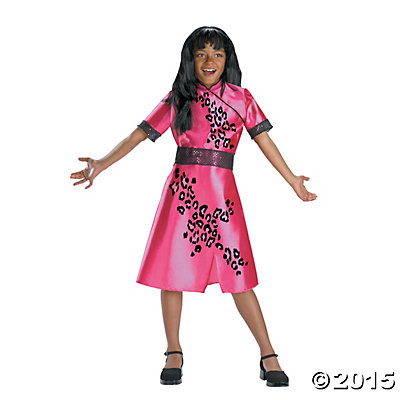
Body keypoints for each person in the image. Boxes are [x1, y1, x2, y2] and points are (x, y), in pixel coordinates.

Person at [70, 26, 317, 387]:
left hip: (221, 197)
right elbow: (137, 136)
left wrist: (292, 179)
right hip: (183, 195)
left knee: (238, 273)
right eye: (201, 54)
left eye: (217, 54)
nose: (209, 61)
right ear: (190, 60)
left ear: (227, 59)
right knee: (172, 272)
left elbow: (264, 140)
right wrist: (101, 164)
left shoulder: (241, 98)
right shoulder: (178, 98)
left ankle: (268, 353)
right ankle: (173, 350)